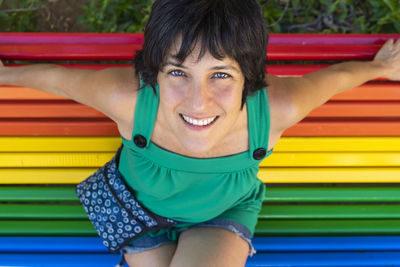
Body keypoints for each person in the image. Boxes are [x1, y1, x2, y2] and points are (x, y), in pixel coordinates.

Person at [1, 0, 400, 266]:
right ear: (151, 71)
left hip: (221, 213)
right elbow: (57, 80)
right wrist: (6, 74)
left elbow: (335, 78)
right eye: (177, 72)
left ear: (251, 78)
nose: (198, 101)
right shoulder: (128, 99)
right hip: (136, 209)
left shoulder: (279, 107)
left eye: (221, 74)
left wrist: (381, 69)